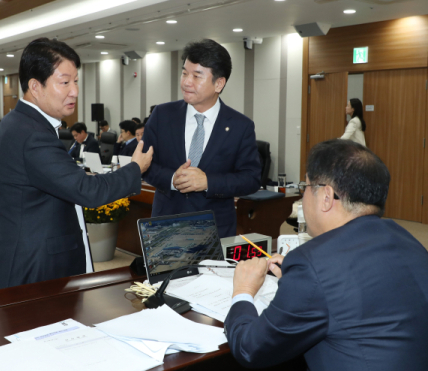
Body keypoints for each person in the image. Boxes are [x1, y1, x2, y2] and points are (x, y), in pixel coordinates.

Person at [225, 139, 428, 370]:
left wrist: (243, 291)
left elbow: (250, 349)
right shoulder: (410, 241)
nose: (303, 198)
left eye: (306, 188)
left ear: (326, 197)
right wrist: (299, 285)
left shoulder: (314, 265)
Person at [0, 37, 153, 291]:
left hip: (29, 260)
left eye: (75, 81)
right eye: (64, 82)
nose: (74, 90)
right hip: (34, 269)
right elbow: (87, 190)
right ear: (35, 86)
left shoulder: (18, 121)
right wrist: (135, 168)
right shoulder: (32, 133)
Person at [142, 39, 260, 238]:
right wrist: (172, 179)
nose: (187, 82)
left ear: (219, 83)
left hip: (215, 228)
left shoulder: (241, 126)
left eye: (197, 76)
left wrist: (208, 182)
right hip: (165, 226)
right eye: (184, 73)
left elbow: (251, 178)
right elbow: (145, 164)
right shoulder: (162, 115)